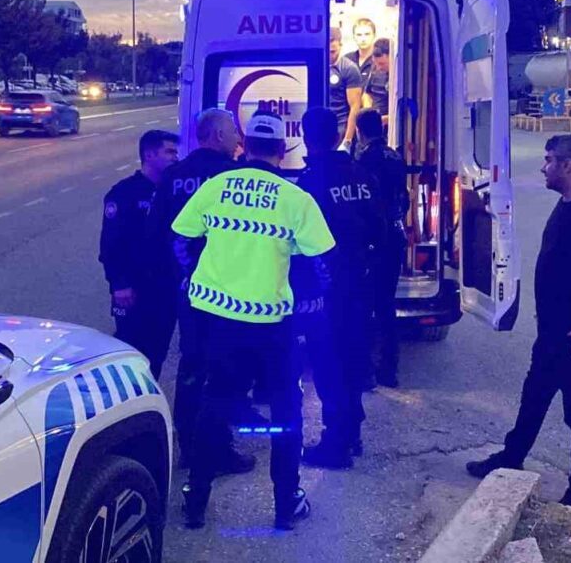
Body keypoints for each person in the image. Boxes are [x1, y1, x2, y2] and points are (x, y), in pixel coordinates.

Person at [172, 110, 336, 531]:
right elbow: (322, 265)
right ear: (282, 151)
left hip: (218, 322)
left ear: (244, 147)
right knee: (286, 411)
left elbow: (181, 239)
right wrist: (313, 303)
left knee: (215, 405)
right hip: (271, 326)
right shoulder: (294, 199)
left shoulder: (216, 186)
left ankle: (196, 500)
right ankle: (286, 504)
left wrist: (194, 278)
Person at [465, 134, 571, 511]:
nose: (543, 166)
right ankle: (511, 456)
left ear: (568, 165)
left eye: (549, 159)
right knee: (534, 397)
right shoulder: (568, 204)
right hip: (553, 333)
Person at [146, 108, 253, 474]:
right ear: (218, 135)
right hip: (229, 291)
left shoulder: (174, 176)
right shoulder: (233, 177)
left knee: (191, 366)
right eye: (233, 132)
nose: (239, 138)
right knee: (225, 368)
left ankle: (189, 447)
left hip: (186, 289)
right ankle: (218, 448)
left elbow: (157, 233)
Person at [295, 107, 386, 469]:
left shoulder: (309, 183)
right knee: (353, 358)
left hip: (326, 289)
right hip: (359, 282)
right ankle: (354, 432)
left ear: (305, 137)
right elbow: (382, 229)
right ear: (336, 137)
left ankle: (336, 444)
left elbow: (299, 245)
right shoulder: (363, 174)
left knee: (329, 365)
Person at [98, 129, 179, 378]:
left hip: (165, 288)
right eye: (169, 152)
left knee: (157, 352)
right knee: (130, 349)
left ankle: (145, 402)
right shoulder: (124, 193)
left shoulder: (174, 191)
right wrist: (119, 284)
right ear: (149, 154)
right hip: (133, 289)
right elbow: (111, 245)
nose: (175, 157)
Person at [354, 108, 408, 387]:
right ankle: (390, 369)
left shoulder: (364, 160)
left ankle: (364, 372)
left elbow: (364, 204)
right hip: (395, 237)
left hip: (373, 240)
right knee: (386, 305)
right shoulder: (395, 156)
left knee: (363, 306)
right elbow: (404, 198)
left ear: (361, 132)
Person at [330, 27, 364, 149]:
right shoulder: (319, 65)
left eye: (333, 51)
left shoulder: (349, 68)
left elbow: (355, 107)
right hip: (321, 127)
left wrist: (347, 140)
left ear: (340, 45)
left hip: (340, 127)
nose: (330, 55)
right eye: (327, 51)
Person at [345, 17, 378, 88]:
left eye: (367, 34)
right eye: (359, 35)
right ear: (354, 37)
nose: (363, 39)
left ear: (374, 35)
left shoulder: (380, 61)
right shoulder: (347, 60)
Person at [363, 38, 392, 118]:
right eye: (376, 64)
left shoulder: (400, 77)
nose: (378, 68)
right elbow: (367, 94)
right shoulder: (374, 70)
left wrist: (387, 118)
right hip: (374, 120)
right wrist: (368, 112)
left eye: (382, 64)